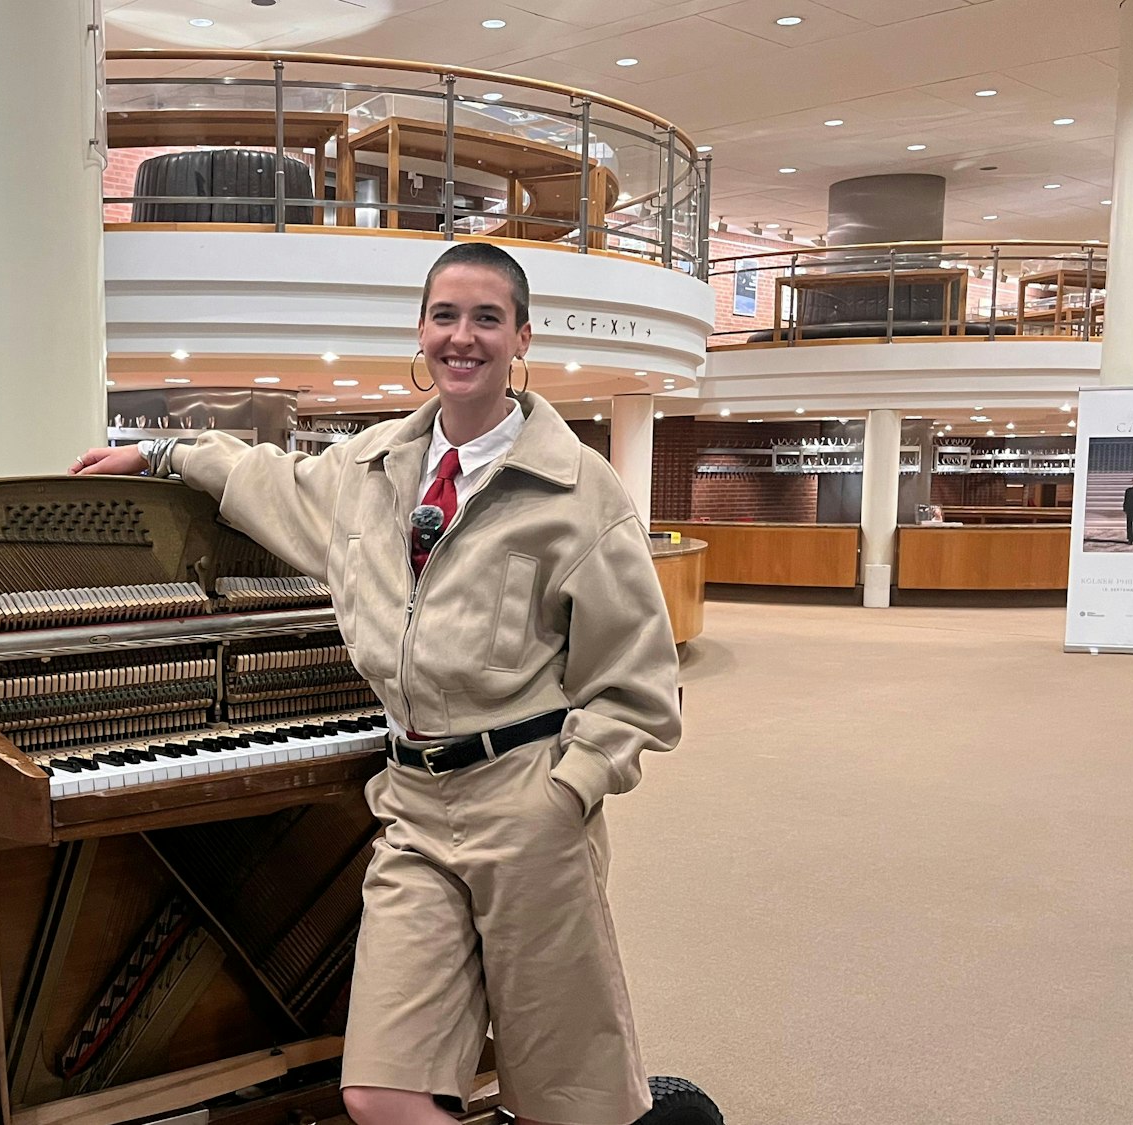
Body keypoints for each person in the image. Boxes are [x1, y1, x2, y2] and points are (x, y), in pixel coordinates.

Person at [70, 242, 681, 1125]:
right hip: (414, 806)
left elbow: (639, 684)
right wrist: (161, 455)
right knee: (380, 1090)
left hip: (529, 803)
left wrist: (567, 791)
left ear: (521, 339)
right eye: (445, 316)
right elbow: (259, 478)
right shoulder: (367, 471)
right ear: (421, 329)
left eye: (486, 319)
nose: (461, 337)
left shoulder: (582, 490)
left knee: (566, 1093)